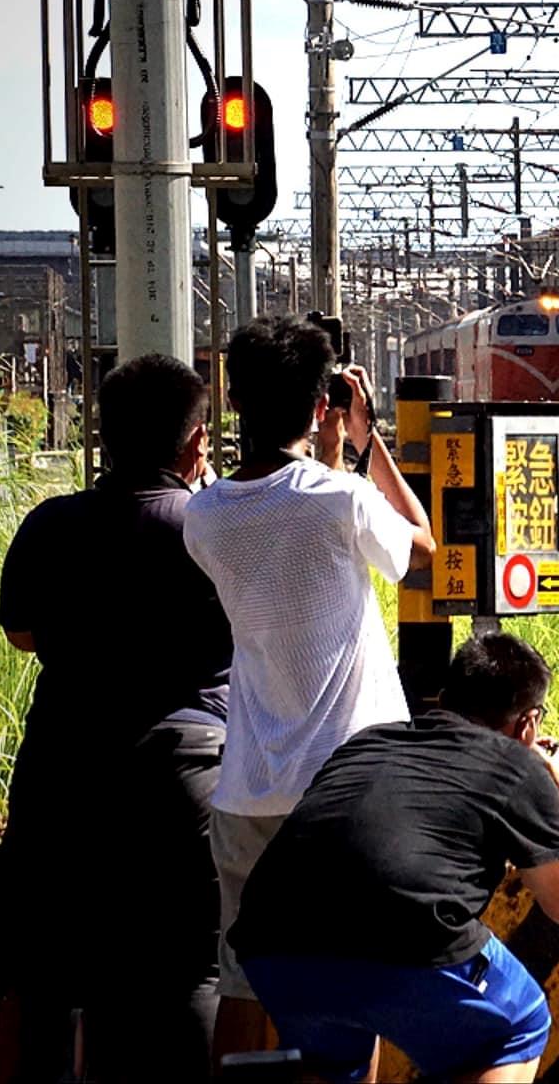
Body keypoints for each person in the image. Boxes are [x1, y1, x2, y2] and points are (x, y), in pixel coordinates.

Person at [182, 315, 436, 1056]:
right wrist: (366, 441)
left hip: (248, 788)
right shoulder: (340, 498)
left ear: (235, 402)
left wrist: (328, 455)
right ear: (322, 402)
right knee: (356, 972)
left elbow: (283, 520)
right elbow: (421, 547)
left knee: (241, 978)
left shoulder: (203, 518)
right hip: (347, 789)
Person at [0, 354, 232, 1080]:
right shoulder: (213, 531)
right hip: (186, 777)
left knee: (52, 976)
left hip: (62, 773)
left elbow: (22, 633)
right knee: (190, 969)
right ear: (197, 442)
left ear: (103, 434)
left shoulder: (50, 524)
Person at [233, 634, 559, 1083]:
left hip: (270, 938)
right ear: (529, 724)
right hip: (406, 932)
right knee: (518, 1027)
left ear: (443, 700)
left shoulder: (368, 743)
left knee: (333, 1064)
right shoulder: (514, 764)